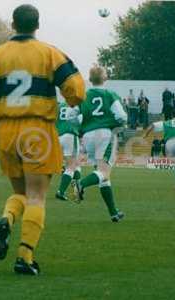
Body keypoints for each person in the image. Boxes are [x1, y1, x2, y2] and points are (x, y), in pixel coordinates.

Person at [0, 4, 85, 275]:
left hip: (6, 129)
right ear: (37, 25)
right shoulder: (49, 52)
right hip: (37, 129)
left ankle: (7, 218)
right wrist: (68, 99)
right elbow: (76, 91)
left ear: (13, 24)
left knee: (20, 193)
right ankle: (24, 257)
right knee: (36, 196)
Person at [74, 65, 126, 222]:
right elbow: (122, 116)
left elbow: (74, 117)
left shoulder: (83, 96)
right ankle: (80, 184)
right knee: (104, 172)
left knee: (103, 176)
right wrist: (118, 125)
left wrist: (84, 125)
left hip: (88, 137)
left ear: (89, 79)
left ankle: (113, 212)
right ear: (106, 78)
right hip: (105, 134)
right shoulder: (110, 94)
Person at [55, 101, 82, 201]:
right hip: (70, 135)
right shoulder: (77, 105)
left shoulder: (60, 105)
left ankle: (78, 190)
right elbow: (80, 120)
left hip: (58, 136)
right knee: (71, 166)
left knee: (76, 164)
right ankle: (61, 192)